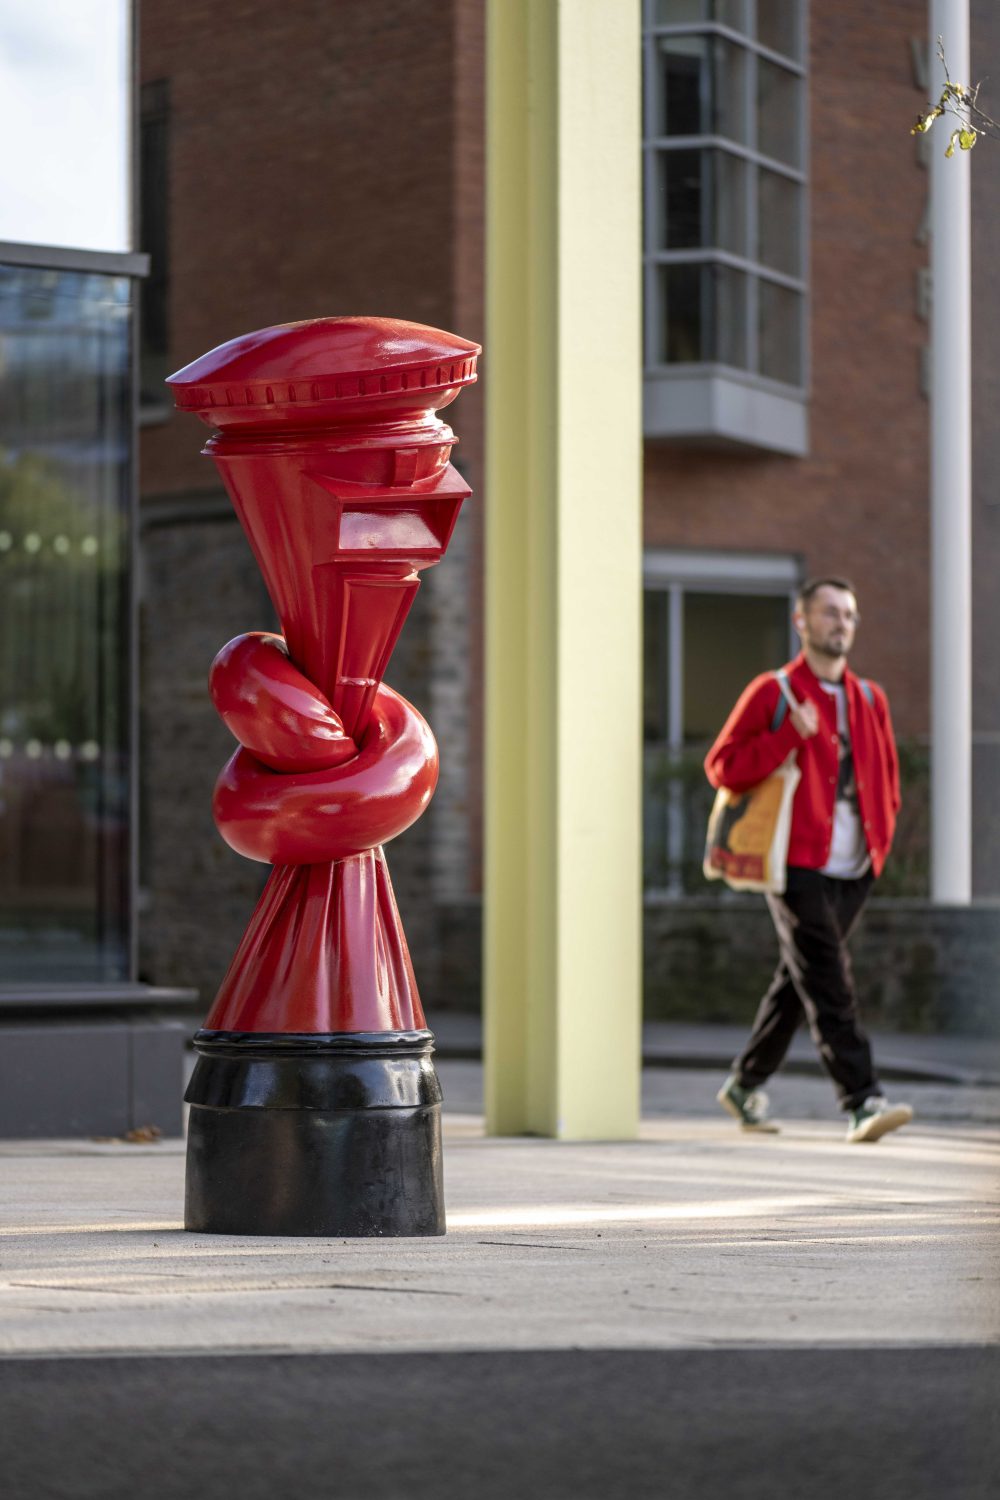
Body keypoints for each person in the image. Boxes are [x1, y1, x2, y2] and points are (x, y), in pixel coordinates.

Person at [704, 577, 914, 1144]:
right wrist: (786, 739)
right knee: (829, 978)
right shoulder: (773, 692)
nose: (840, 623)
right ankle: (863, 1098)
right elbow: (722, 767)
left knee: (802, 979)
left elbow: (888, 782)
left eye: (848, 613)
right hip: (794, 862)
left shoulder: (870, 699)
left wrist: (881, 846)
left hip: (856, 866)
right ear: (802, 622)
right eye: (828, 612)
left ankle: (745, 1084)